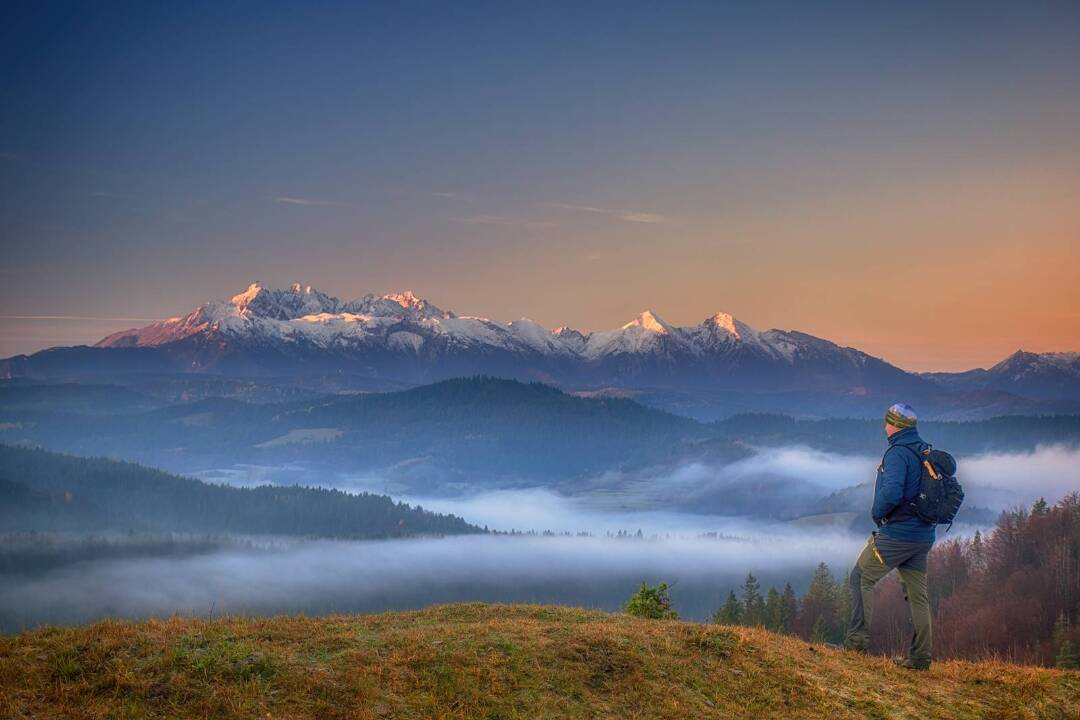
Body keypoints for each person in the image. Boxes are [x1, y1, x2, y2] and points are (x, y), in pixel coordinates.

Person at [844, 402, 935, 670]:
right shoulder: (924, 450)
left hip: (898, 534)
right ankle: (920, 658)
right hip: (923, 536)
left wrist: (877, 512)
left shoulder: (897, 453)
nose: (884, 426)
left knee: (860, 577)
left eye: (887, 422)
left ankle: (855, 645)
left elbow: (892, 492)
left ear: (896, 425)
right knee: (918, 597)